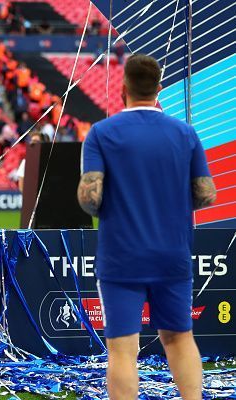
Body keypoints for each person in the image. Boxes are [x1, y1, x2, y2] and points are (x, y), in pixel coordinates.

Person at [77, 54, 216, 400]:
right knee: (179, 338)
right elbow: (206, 194)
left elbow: (89, 199)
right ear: (158, 91)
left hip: (122, 257)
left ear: (123, 89)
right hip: (172, 254)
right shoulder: (185, 133)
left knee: (122, 349)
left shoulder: (102, 133)